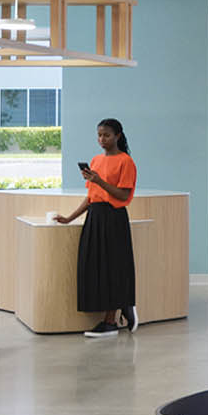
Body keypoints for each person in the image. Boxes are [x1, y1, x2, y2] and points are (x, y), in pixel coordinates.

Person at [54, 117, 137, 338]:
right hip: (95, 217)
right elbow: (91, 197)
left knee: (112, 267)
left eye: (106, 135)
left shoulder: (125, 161)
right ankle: (121, 307)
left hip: (114, 218)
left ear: (117, 136)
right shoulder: (96, 160)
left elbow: (123, 194)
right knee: (94, 266)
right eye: (99, 135)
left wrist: (100, 181)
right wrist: (70, 218)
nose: (102, 139)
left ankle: (110, 320)